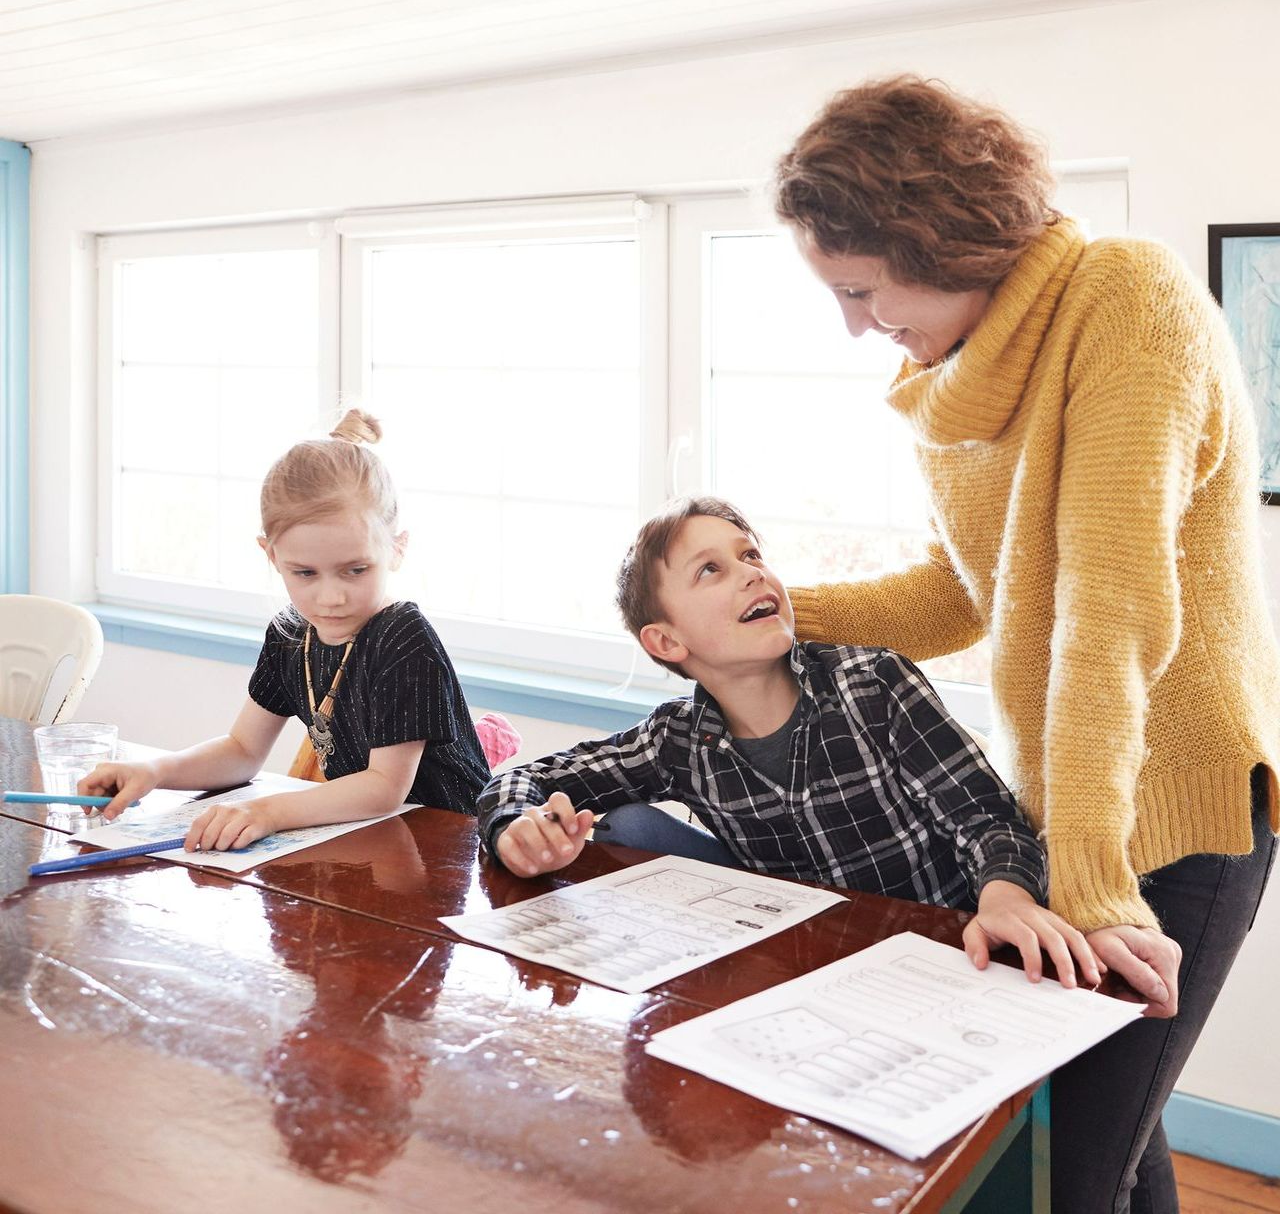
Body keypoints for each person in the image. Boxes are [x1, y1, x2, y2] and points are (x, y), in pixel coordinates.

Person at [772, 74, 1279, 1212]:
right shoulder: (947, 378)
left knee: (1068, 1171)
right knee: (1104, 1146)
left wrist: (1091, 877)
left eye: (858, 287)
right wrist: (766, 607)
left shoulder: (1126, 298)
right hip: (1063, 801)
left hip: (1182, 803)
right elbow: (960, 595)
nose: (854, 324)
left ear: (929, 231)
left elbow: (1112, 605)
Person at [478, 496, 1103, 988]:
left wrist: (1006, 897)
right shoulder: (677, 741)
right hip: (807, 977)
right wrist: (515, 829)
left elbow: (988, 819)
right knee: (627, 823)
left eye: (750, 555)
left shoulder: (876, 686)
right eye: (711, 570)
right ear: (667, 642)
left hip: (946, 964)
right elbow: (526, 777)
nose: (751, 574)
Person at [83, 410, 491, 849]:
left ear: (397, 549)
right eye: (305, 573)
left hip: (452, 845)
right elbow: (242, 750)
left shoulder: (402, 637)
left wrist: (268, 811)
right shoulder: (292, 632)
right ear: (271, 555)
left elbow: (383, 787)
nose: (330, 597)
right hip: (371, 842)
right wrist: (157, 772)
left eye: (355, 570)